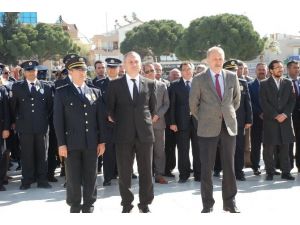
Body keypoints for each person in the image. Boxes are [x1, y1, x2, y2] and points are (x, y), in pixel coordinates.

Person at [189, 46, 241, 213]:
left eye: (220, 58)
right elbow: (193, 105)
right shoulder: (199, 79)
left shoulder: (232, 76)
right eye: (215, 59)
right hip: (207, 129)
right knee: (207, 169)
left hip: (228, 128)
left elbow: (236, 101)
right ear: (207, 60)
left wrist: (225, 115)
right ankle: (207, 204)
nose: (218, 62)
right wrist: (206, 118)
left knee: (229, 167)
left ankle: (230, 203)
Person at [53, 55, 106, 213]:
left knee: (91, 176)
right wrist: (61, 144)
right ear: (70, 71)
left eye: (84, 69)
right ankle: (75, 206)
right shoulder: (62, 92)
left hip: (91, 143)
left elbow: (100, 120)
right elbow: (58, 121)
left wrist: (102, 141)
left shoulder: (95, 92)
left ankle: (89, 204)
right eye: (78, 69)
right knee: (73, 177)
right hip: (71, 143)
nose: (82, 72)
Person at [107, 51, 156, 213]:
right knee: (124, 172)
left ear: (140, 64)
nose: (134, 64)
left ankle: (145, 203)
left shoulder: (149, 83)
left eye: (136, 61)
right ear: (124, 65)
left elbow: (153, 108)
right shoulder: (114, 85)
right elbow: (110, 111)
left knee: (146, 172)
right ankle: (127, 204)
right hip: (123, 135)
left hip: (145, 135)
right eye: (130, 62)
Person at [10, 60, 53, 190]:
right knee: (26, 155)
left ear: (37, 71)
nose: (31, 73)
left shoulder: (46, 86)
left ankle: (42, 180)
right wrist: (17, 121)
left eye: (33, 70)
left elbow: (50, 107)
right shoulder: (17, 87)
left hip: (41, 126)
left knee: (42, 154)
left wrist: (44, 119)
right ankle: (26, 180)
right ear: (24, 72)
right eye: (28, 70)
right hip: (25, 127)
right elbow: (14, 107)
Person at [259, 60, 295, 181]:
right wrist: (275, 115)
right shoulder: (264, 84)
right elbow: (264, 102)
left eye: (281, 67)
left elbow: (292, 101)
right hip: (271, 121)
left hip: (285, 120)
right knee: (269, 149)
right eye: (277, 67)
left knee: (285, 148)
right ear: (271, 70)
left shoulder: (288, 83)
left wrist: (285, 114)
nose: (281, 69)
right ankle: (270, 172)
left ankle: (286, 172)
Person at [169, 62, 201, 183]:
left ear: (193, 70)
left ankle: (199, 174)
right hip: (181, 123)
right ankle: (184, 174)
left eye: (189, 69)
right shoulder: (175, 85)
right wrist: (172, 122)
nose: (187, 71)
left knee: (198, 149)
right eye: (184, 69)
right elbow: (172, 106)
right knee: (183, 149)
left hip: (198, 122)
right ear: (181, 71)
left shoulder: (199, 83)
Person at [94, 57, 121, 186]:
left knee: (123, 149)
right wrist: (108, 115)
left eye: (114, 67)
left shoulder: (124, 83)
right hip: (106, 123)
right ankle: (108, 176)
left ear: (118, 69)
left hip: (122, 123)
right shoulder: (100, 84)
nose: (112, 70)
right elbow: (98, 103)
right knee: (109, 151)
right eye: (109, 67)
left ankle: (122, 173)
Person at [143, 62, 169, 184]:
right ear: (143, 73)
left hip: (159, 123)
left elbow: (166, 104)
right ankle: (147, 174)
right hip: (143, 124)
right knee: (146, 151)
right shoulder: (140, 86)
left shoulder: (162, 86)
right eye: (147, 71)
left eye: (152, 70)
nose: (150, 73)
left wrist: (158, 115)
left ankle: (159, 174)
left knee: (159, 150)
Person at [248, 63, 268, 175]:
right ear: (256, 71)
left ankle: (270, 166)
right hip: (256, 119)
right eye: (259, 69)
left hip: (270, 119)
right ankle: (255, 166)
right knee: (255, 145)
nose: (262, 71)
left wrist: (269, 113)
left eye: (263, 70)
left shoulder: (271, 84)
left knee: (269, 145)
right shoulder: (250, 85)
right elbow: (249, 102)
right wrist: (259, 112)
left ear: (267, 71)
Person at [287, 60, 300, 172]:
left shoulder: (299, 82)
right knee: (289, 142)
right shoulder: (284, 82)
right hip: (288, 117)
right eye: (295, 67)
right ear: (288, 69)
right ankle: (289, 165)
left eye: (298, 67)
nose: (297, 70)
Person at [0, 85, 10, 191]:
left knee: (1, 155)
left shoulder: (2, 90)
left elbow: (6, 111)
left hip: (1, 129)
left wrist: (6, 128)